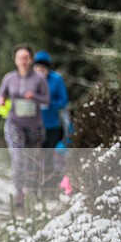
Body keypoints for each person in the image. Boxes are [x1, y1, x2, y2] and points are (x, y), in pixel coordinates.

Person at [0, 44, 50, 207]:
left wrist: (34, 96)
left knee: (32, 158)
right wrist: (1, 100)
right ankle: (19, 193)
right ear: (15, 60)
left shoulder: (39, 79)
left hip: (34, 125)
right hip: (14, 123)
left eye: (26, 58)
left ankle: (32, 193)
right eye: (20, 58)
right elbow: (1, 94)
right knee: (18, 156)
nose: (23, 61)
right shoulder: (9, 78)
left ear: (31, 60)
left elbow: (47, 100)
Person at [32, 50, 70, 193]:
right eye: (37, 68)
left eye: (43, 68)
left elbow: (64, 100)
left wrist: (50, 104)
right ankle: (34, 189)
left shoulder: (56, 80)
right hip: (33, 125)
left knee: (48, 158)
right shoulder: (29, 80)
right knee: (34, 157)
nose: (40, 71)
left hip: (52, 125)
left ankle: (49, 189)